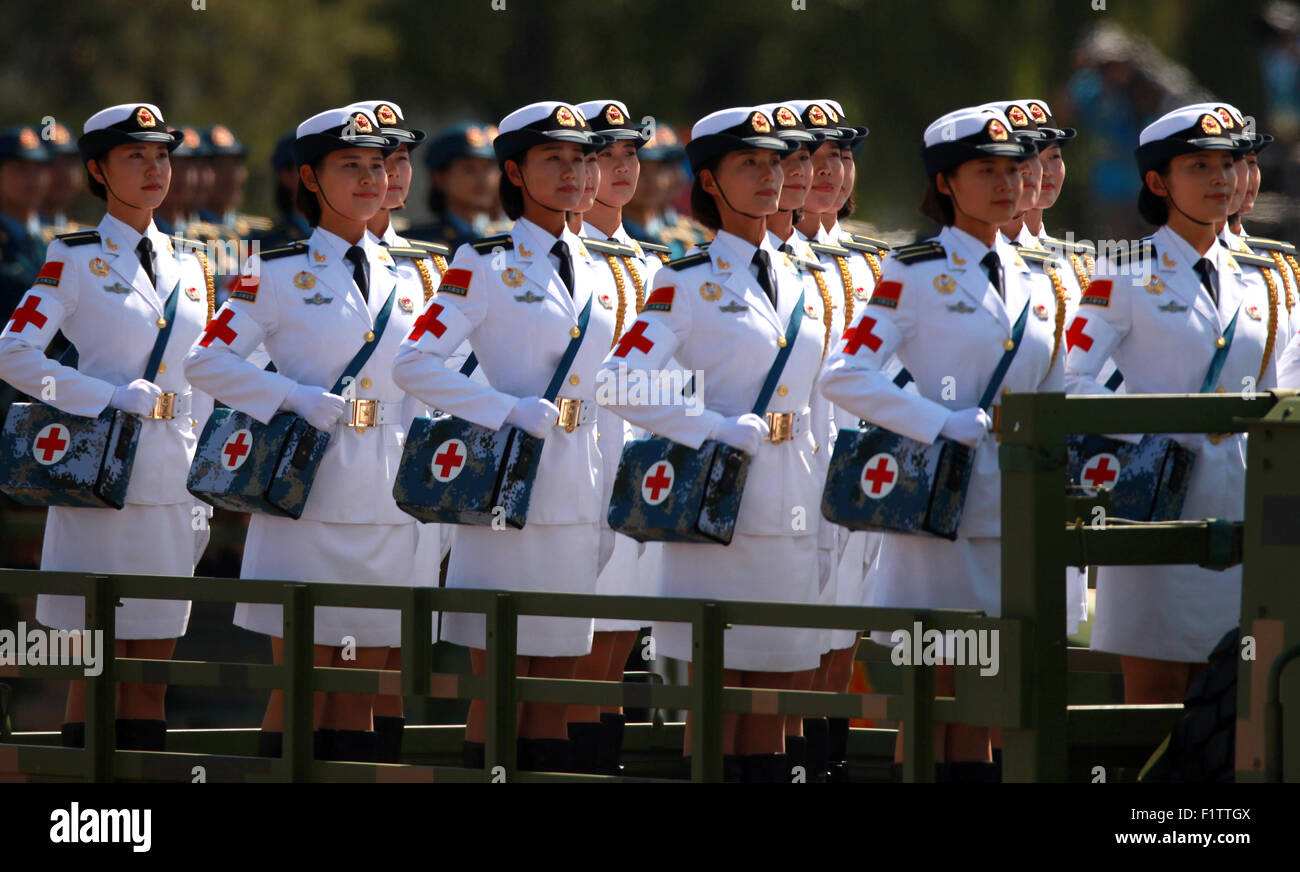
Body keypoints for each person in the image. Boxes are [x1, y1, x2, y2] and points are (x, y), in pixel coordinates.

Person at [820, 106, 1064, 780]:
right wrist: (932, 419)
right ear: (947, 184)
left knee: (990, 698)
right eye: (985, 170)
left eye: (1015, 169)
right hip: (936, 510)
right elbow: (844, 373)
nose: (1007, 183)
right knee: (934, 696)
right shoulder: (915, 272)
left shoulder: (1034, 274)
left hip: (1012, 506)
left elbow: (1057, 389)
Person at [597, 105, 834, 782]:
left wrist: (823, 520)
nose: (769, 177)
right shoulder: (684, 279)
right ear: (707, 180)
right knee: (718, 705)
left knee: (777, 698)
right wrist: (709, 426)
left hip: (792, 502)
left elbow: (816, 404)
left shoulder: (804, 274)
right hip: (718, 510)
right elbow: (618, 381)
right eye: (747, 164)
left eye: (778, 162)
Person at [185, 105, 427, 763]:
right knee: (298, 684)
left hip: (386, 498)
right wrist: (291, 397)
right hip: (304, 494)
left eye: (378, 165)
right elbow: (205, 362)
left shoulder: (411, 275)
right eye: (349, 166)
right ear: (310, 178)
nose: (370, 179)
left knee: (361, 682)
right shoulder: (276, 271)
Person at [392, 101, 616, 773]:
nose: (575, 173)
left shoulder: (600, 266)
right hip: (506, 492)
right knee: (502, 682)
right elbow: (415, 363)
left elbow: (603, 390)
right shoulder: (483, 262)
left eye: (584, 159)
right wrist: (502, 408)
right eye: (555, 159)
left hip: (577, 483)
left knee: (557, 679)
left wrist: (606, 499)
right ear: (514, 171)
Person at [0, 102, 216, 751]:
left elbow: (202, 378)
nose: (154, 168)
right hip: (97, 480)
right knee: (91, 671)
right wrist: (106, 396)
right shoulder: (71, 257)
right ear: (98, 168)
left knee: (152, 674)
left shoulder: (192, 265)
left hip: (172, 483)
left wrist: (202, 478)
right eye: (134, 156)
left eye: (162, 156)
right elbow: (13, 354)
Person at [1065, 105, 1283, 704]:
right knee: (1156, 702)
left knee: (1242, 707)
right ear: (1159, 183)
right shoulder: (1123, 272)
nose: (1222, 178)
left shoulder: (1263, 275)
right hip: (1158, 504)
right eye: (1199, 165)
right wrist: (1153, 433)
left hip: (1246, 506)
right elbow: (1071, 380)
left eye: (1228, 163)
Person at [354, 98, 449, 762]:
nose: (390, 172)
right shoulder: (286, 264)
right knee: (324, 672)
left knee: (391, 665)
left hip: (414, 478)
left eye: (399, 158)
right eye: (371, 160)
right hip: (334, 479)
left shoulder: (431, 265)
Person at [405, 122, 503, 251]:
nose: (483, 178)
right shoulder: (416, 243)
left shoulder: (509, 237)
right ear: (440, 178)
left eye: (489, 168)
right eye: (469, 169)